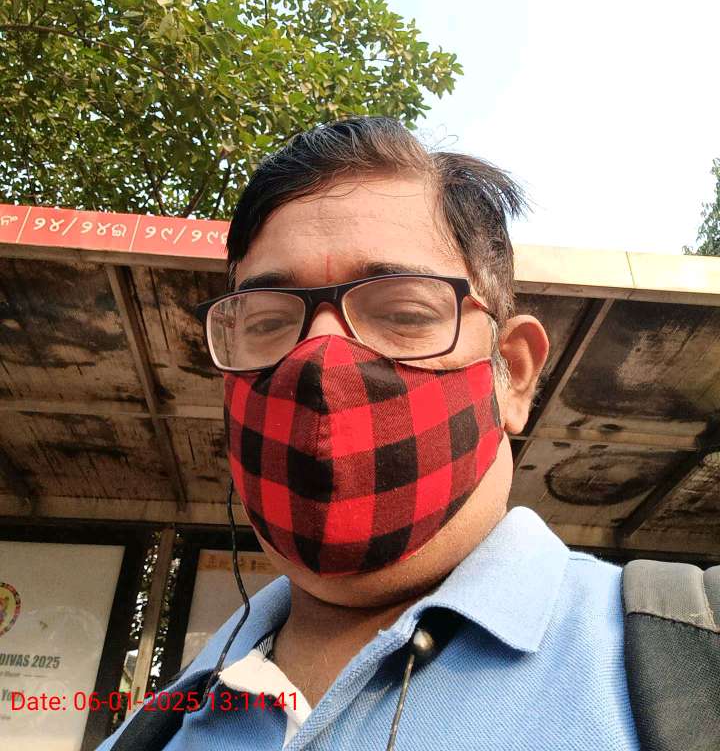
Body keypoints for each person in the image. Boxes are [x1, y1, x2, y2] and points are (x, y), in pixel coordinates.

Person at [100, 116, 640, 750]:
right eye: (268, 322)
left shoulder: (683, 670)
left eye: (404, 312)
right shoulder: (148, 734)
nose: (321, 358)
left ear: (513, 375)